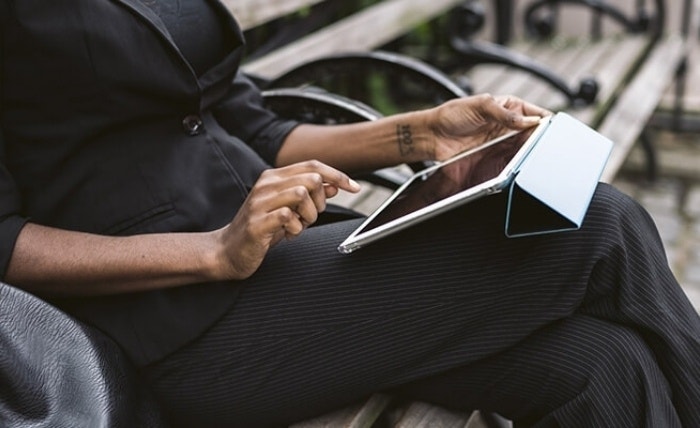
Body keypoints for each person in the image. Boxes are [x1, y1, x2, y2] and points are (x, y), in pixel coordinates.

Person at [1, 1, 699, 427]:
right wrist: (214, 249)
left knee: (604, 366)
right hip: (180, 323)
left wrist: (423, 133)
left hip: (291, 260)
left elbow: (253, 125)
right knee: (598, 224)